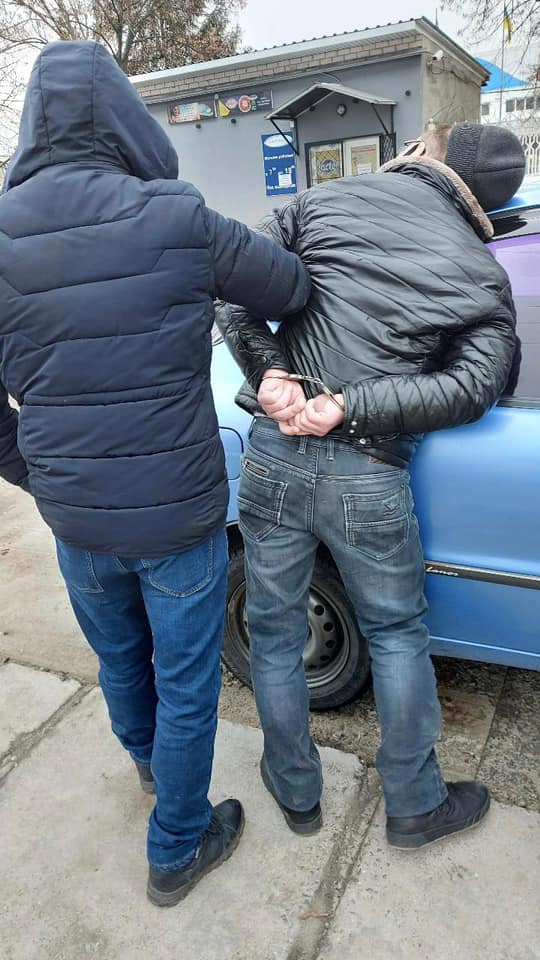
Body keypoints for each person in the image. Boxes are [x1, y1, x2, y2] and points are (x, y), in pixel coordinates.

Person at [0, 40, 310, 906]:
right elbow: (288, 287)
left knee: (119, 660)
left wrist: (36, 473)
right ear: (125, 121)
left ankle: (148, 767)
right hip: (177, 519)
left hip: (75, 519)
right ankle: (177, 844)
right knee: (185, 683)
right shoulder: (177, 217)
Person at [217, 123, 524, 848]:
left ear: (429, 154)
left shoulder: (323, 201)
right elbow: (475, 387)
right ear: (486, 205)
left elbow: (232, 285)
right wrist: (351, 407)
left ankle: (295, 790)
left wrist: (269, 372)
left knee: (273, 630)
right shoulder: (483, 272)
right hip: (369, 471)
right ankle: (415, 802)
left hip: (275, 450)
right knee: (396, 634)